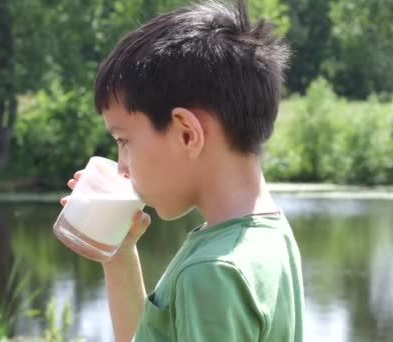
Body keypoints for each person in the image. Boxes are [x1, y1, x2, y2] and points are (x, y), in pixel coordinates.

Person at [59, 0, 304, 341]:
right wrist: (120, 254)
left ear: (187, 134)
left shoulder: (212, 272)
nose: (123, 166)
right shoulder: (267, 237)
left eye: (124, 141)